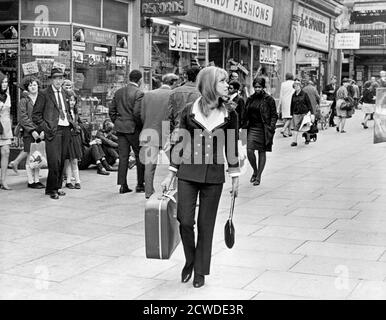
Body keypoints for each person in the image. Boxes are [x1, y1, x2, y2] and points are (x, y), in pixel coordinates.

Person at [161, 66, 240, 288]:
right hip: (188, 171)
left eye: (227, 82)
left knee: (206, 225)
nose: (228, 85)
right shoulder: (189, 110)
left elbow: (232, 146)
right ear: (209, 85)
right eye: (223, 81)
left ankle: (200, 271)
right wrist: (171, 173)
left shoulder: (230, 113)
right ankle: (190, 259)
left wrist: (235, 177)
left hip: (214, 176)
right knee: (184, 220)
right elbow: (181, 142)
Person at [32, 68, 76, 200]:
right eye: (56, 78)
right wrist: (47, 128)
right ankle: (51, 189)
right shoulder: (44, 93)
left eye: (61, 78)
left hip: (66, 128)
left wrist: (72, 123)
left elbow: (67, 110)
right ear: (51, 79)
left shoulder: (65, 93)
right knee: (54, 161)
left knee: (62, 160)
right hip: (53, 130)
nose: (58, 80)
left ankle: (57, 187)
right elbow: (35, 115)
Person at [140, 73, 179, 199]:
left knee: (149, 166)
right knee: (175, 163)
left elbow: (142, 115)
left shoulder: (148, 94)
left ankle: (148, 191)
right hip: (167, 131)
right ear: (173, 82)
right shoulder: (173, 95)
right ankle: (175, 189)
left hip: (149, 129)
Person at [109, 69, 145, 194]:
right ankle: (140, 184)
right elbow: (137, 113)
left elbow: (111, 111)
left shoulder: (118, 92)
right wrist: (139, 125)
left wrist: (118, 122)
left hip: (120, 128)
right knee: (140, 155)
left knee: (123, 157)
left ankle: (123, 185)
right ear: (140, 80)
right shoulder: (139, 93)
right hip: (133, 129)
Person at [242, 77, 278, 186]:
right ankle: (255, 170)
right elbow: (245, 113)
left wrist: (271, 127)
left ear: (263, 87)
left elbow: (274, 115)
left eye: (259, 87)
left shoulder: (269, 99)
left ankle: (258, 176)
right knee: (249, 150)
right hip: (252, 127)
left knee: (262, 151)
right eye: (256, 87)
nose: (257, 89)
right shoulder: (250, 99)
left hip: (263, 128)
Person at [18, 76, 45, 189]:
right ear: (27, 88)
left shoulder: (42, 99)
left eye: (34, 84)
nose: (33, 87)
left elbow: (46, 115)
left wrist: (43, 130)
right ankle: (30, 181)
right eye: (30, 85)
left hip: (40, 132)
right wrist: (32, 130)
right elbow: (23, 117)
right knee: (30, 156)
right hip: (29, 133)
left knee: (38, 156)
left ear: (38, 86)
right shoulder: (24, 101)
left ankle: (37, 180)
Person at [168, 66, 201, 142]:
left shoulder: (174, 92)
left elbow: (168, 115)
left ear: (187, 77)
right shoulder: (202, 93)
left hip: (177, 131)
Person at [62, 89, 83, 189]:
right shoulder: (65, 112)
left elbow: (78, 123)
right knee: (68, 160)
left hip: (75, 137)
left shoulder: (75, 112)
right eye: (70, 100)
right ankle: (69, 181)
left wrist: (78, 127)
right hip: (68, 137)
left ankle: (77, 180)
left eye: (74, 100)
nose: (72, 102)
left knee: (74, 160)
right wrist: (76, 126)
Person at [290, 78, 313, 147]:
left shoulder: (304, 94)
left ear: (300, 86)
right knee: (296, 127)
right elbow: (292, 104)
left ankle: (307, 138)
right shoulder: (293, 95)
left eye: (297, 85)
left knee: (305, 127)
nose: (296, 87)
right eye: (295, 85)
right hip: (296, 113)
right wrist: (291, 113)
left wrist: (311, 113)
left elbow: (309, 104)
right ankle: (294, 141)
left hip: (304, 113)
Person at [0, 72, 13, 190]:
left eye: (6, 82)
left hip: (5, 128)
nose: (4, 84)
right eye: (2, 82)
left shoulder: (7, 95)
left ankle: (3, 180)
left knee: (6, 152)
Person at [278, 73, 295, 137]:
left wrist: (279, 105)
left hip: (284, 101)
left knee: (286, 117)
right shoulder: (294, 83)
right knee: (290, 117)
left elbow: (281, 94)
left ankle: (288, 132)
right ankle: (284, 129)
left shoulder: (283, 84)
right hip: (291, 101)